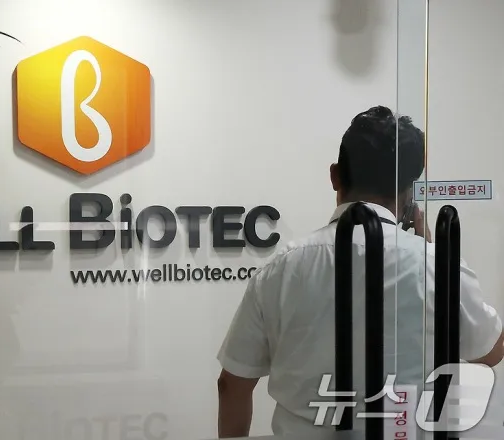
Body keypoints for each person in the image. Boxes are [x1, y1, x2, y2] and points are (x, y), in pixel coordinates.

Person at [216, 105, 504, 439]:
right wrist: (431, 251)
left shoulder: (281, 267)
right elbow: (491, 350)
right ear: (409, 191)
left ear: (335, 175)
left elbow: (232, 384)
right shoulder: (435, 264)